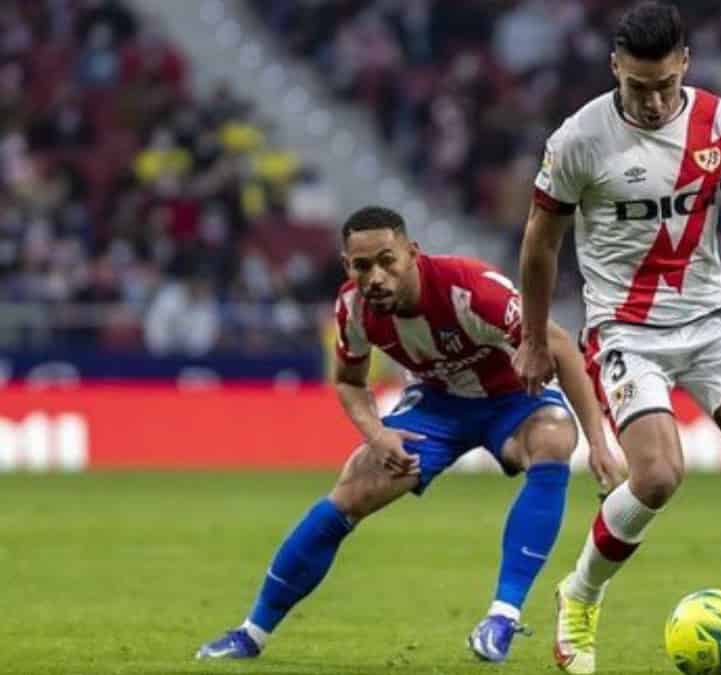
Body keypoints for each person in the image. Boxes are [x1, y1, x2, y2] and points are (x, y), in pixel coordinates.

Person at [513, 3, 721, 674]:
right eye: (639, 86)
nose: (654, 100)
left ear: (685, 63)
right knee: (659, 475)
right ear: (615, 67)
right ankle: (580, 594)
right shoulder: (578, 139)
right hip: (624, 327)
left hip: (710, 318)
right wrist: (534, 338)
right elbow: (540, 244)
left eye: (666, 83)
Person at [196, 206, 623, 663]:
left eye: (387, 261)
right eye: (362, 266)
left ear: (412, 254)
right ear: (347, 266)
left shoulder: (470, 288)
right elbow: (348, 380)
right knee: (351, 491)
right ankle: (251, 633)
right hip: (436, 407)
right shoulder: (352, 308)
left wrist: (598, 442)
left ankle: (502, 616)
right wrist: (377, 434)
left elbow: (558, 346)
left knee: (553, 440)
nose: (376, 277)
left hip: (513, 399)